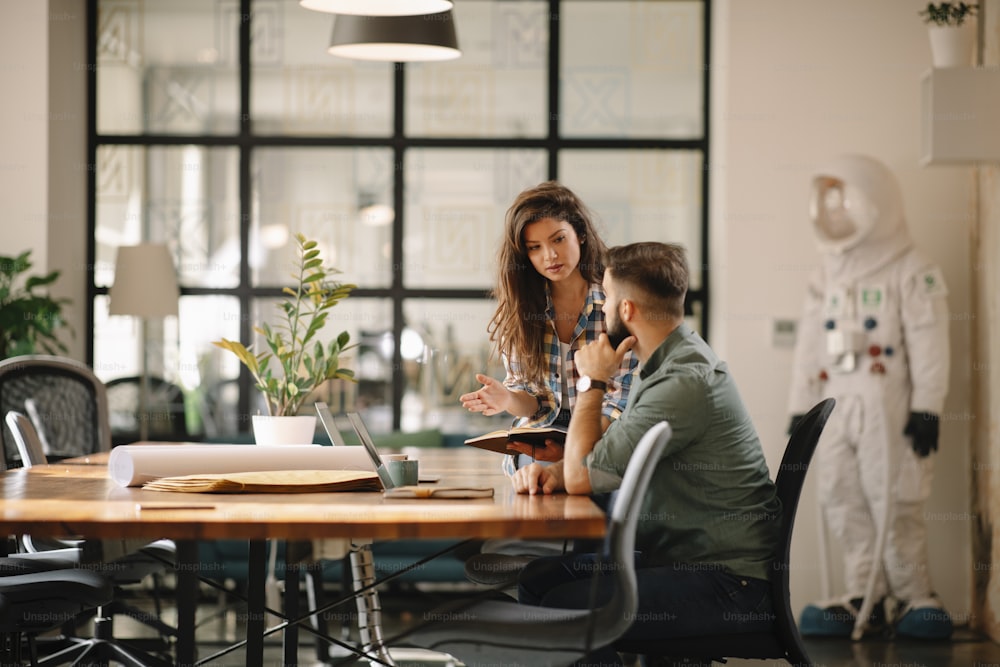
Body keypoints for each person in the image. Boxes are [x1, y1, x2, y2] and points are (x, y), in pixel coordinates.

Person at [513, 242, 782, 663]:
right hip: (689, 561)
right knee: (537, 582)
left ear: (628, 311)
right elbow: (607, 459)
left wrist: (592, 381)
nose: (601, 311)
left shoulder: (683, 381)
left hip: (732, 584)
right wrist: (560, 470)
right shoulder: (666, 362)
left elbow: (586, 475)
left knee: (563, 607)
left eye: (607, 299)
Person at [788, 154, 952, 640]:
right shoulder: (829, 272)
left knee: (895, 497)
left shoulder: (912, 268)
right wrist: (801, 405)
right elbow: (809, 343)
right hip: (839, 402)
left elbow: (929, 340)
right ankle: (867, 594)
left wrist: (929, 405)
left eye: (847, 200)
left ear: (876, 204)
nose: (837, 212)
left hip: (891, 403)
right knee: (840, 494)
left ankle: (916, 595)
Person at [458, 181, 638, 569]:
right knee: (522, 525)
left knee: (586, 544)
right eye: (534, 248)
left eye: (558, 239)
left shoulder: (615, 307)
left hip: (601, 445)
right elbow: (534, 401)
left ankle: (574, 593)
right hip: (539, 453)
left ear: (581, 235)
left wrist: (570, 458)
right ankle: (542, 589)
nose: (549, 256)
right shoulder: (522, 311)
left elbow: (618, 408)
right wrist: (509, 399)